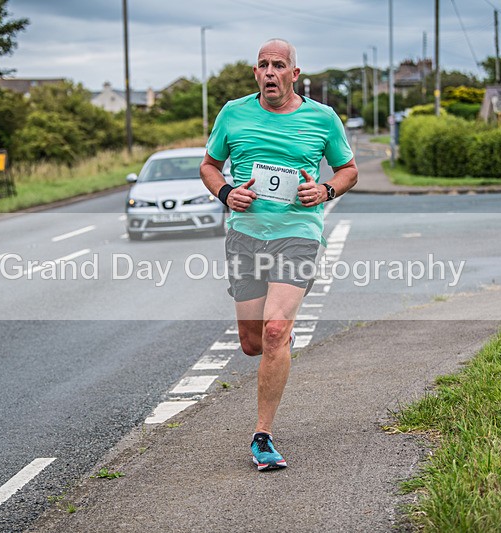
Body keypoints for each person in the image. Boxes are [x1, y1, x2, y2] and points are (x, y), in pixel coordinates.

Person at [199, 38, 358, 471]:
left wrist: (324, 190)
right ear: (256, 73)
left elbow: (348, 170)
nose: (270, 72)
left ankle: (262, 436)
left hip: (297, 234)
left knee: (272, 330)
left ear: (294, 73)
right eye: (263, 65)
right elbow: (209, 166)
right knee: (253, 343)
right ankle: (277, 343)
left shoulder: (322, 118)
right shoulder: (233, 113)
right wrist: (227, 193)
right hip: (245, 235)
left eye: (278, 65)